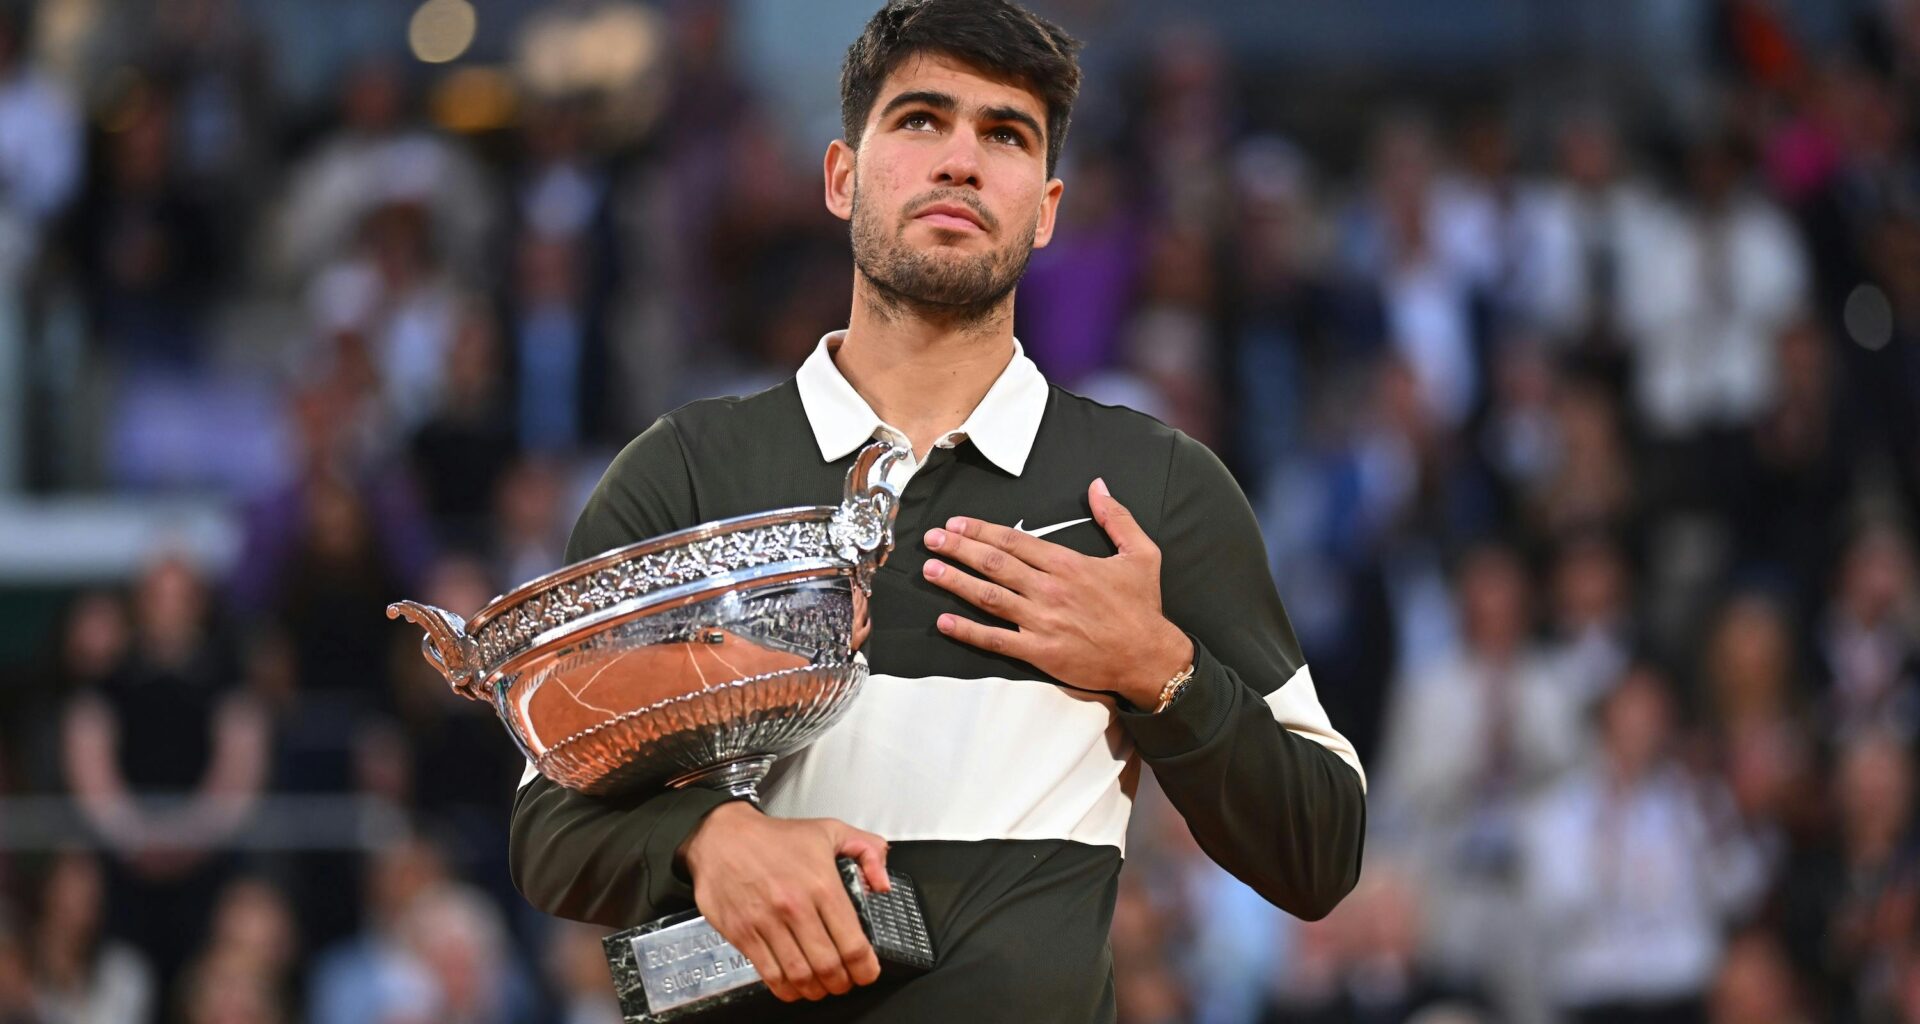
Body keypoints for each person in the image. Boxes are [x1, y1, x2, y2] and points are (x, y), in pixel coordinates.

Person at [506, 3, 1367, 1020]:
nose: (961, 160)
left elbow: (1322, 850)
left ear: (1046, 207)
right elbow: (547, 822)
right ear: (841, 176)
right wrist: (709, 839)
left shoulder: (1154, 487)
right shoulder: (688, 470)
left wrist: (1158, 672)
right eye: (920, 120)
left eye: (1004, 134)